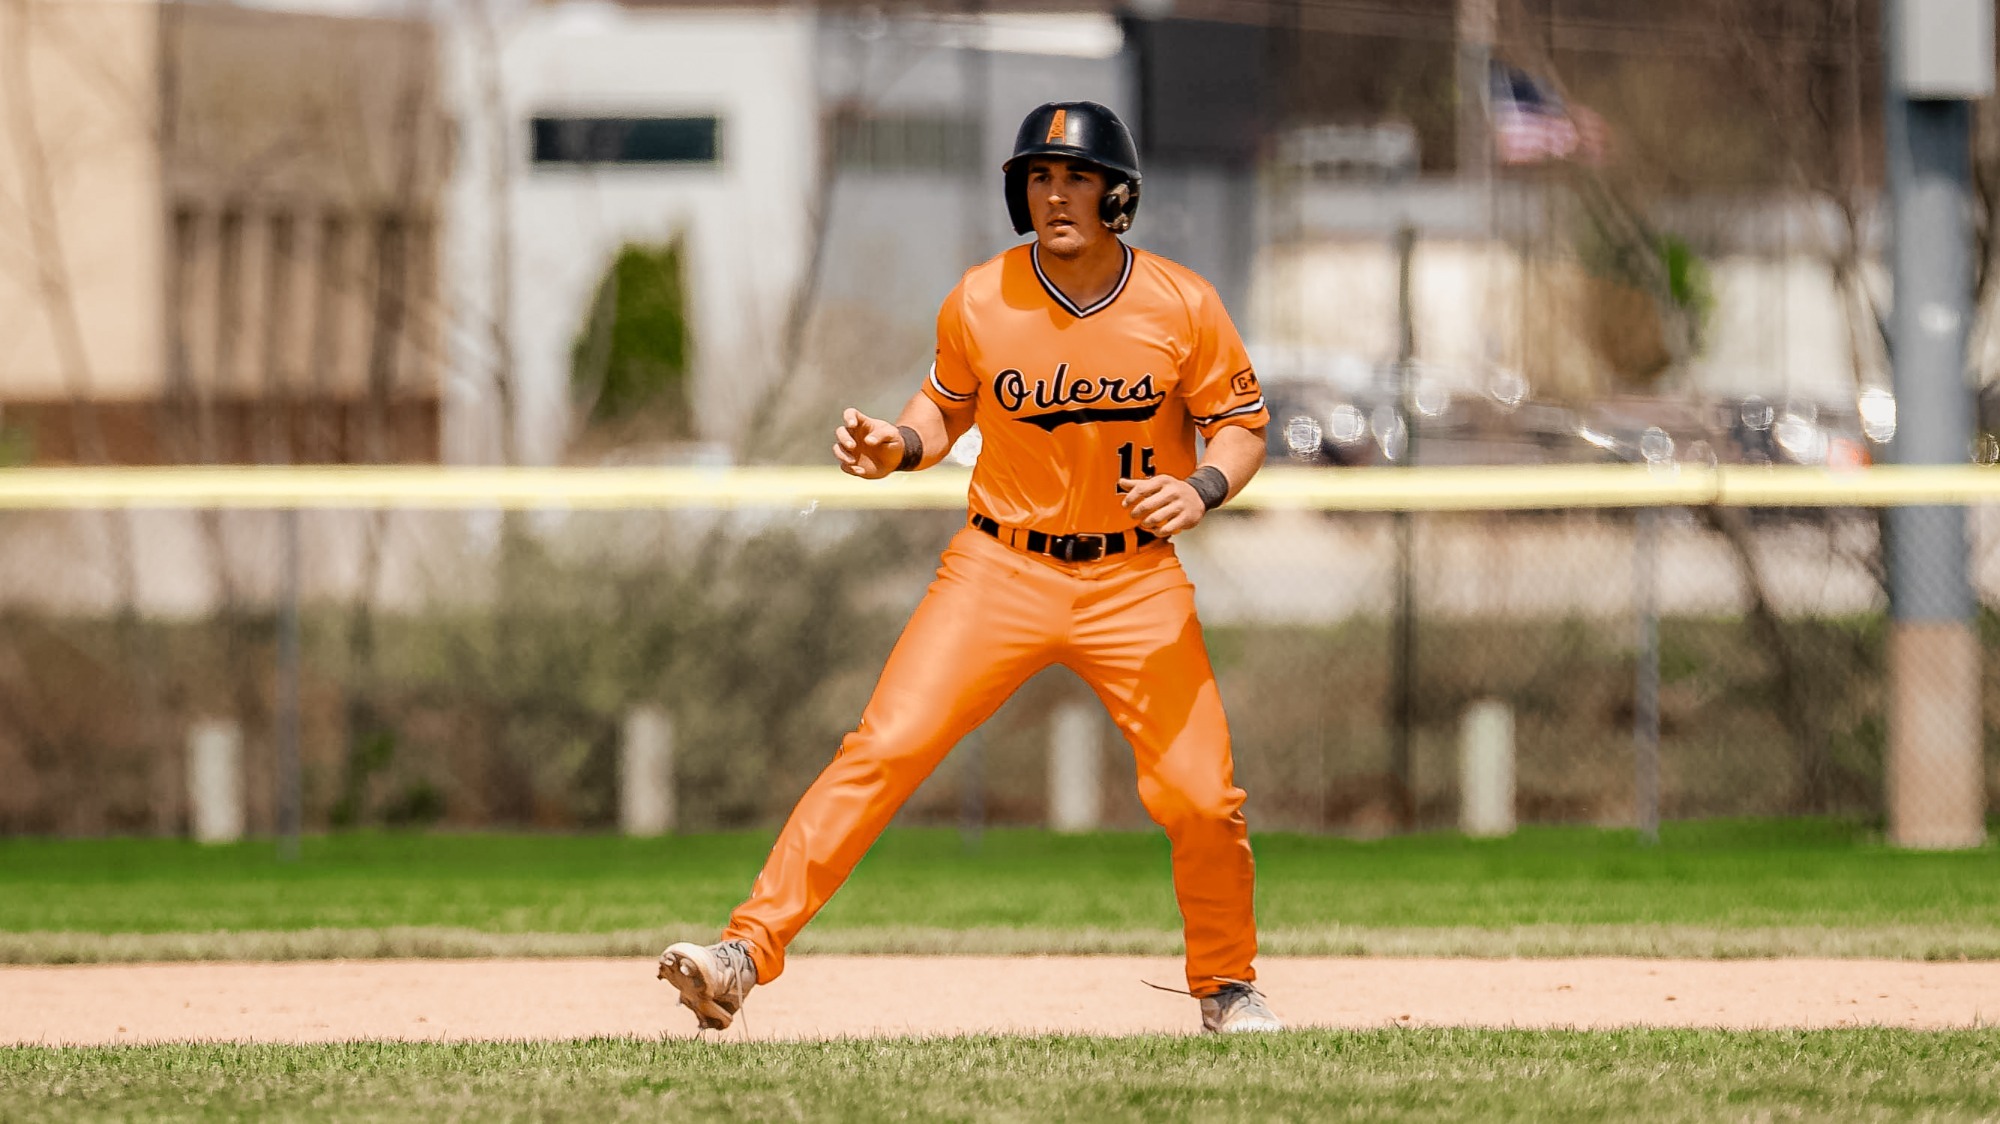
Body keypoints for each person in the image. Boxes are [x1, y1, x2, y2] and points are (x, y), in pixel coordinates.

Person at [658, 100, 1279, 1034]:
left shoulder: (1182, 303)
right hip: (1001, 567)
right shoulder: (983, 297)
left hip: (1133, 579)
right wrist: (898, 446)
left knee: (1200, 794)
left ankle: (1227, 984)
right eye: (1039, 177)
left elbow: (1241, 426)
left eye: (1076, 177)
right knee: (883, 749)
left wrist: (1203, 487)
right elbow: (945, 408)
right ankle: (744, 954)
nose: (1056, 194)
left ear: (1118, 195)